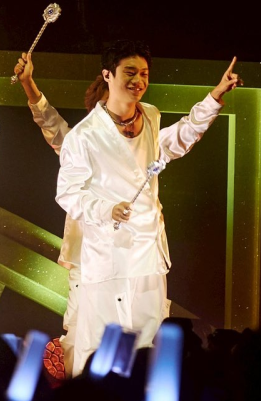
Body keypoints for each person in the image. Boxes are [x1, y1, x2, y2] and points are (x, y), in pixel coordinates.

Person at [55, 40, 241, 377]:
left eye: (144, 73)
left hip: (149, 252)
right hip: (108, 254)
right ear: (107, 75)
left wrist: (214, 98)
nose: (138, 80)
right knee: (103, 343)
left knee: (148, 340)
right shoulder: (84, 135)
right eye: (130, 72)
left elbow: (177, 140)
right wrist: (106, 209)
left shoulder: (151, 116)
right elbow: (68, 193)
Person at [12, 51, 82, 375]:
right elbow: (52, 125)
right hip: (87, 259)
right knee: (81, 331)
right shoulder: (84, 145)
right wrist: (28, 84)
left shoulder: (141, 149)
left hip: (129, 261)